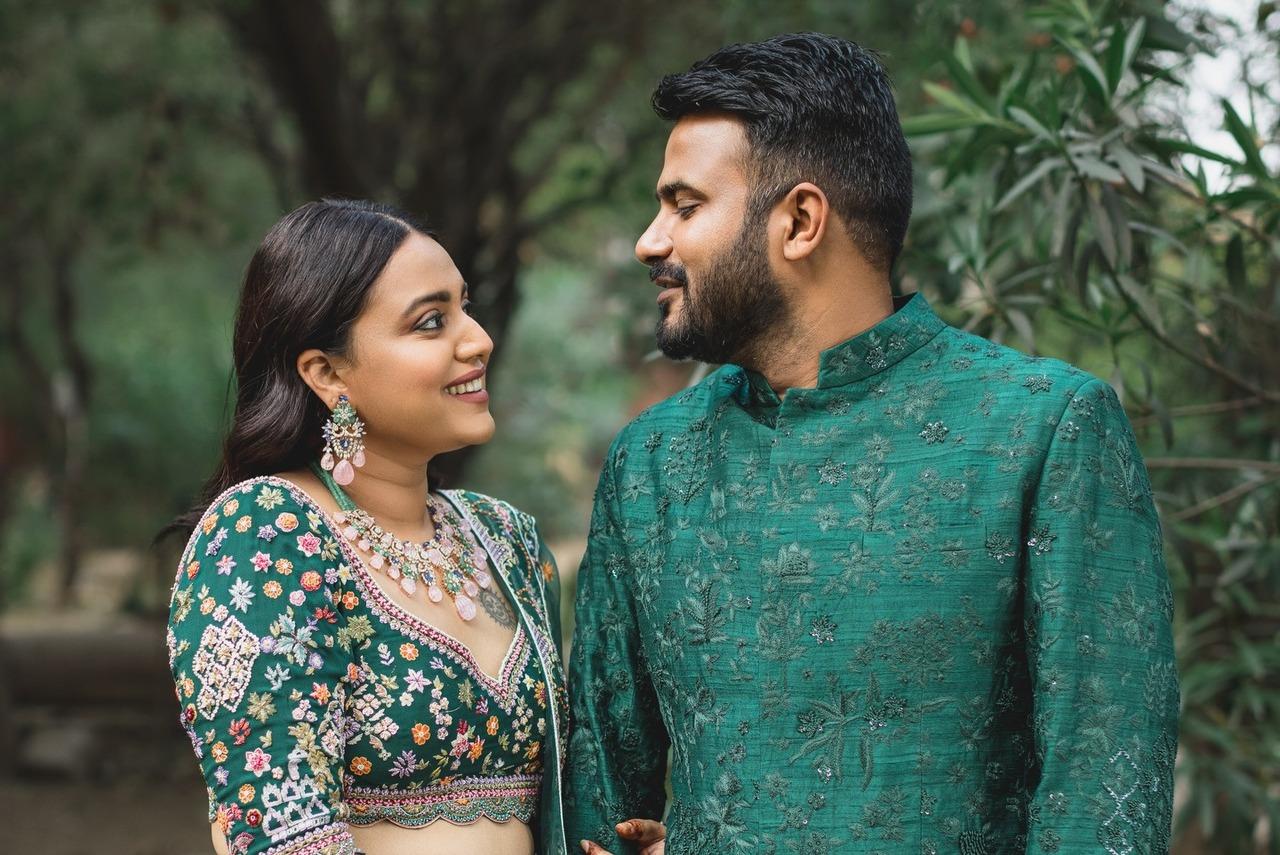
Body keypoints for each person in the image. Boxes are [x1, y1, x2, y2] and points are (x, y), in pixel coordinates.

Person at [567, 33, 1178, 854]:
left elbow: (1103, 803)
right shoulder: (652, 463)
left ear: (800, 221)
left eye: (684, 205)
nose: (652, 239)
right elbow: (600, 795)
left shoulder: (1043, 428)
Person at [167, 199, 597, 855]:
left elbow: (563, 800)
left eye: (465, 306)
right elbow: (284, 832)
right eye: (431, 321)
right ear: (328, 373)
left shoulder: (503, 536)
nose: (478, 338)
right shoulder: (271, 533)